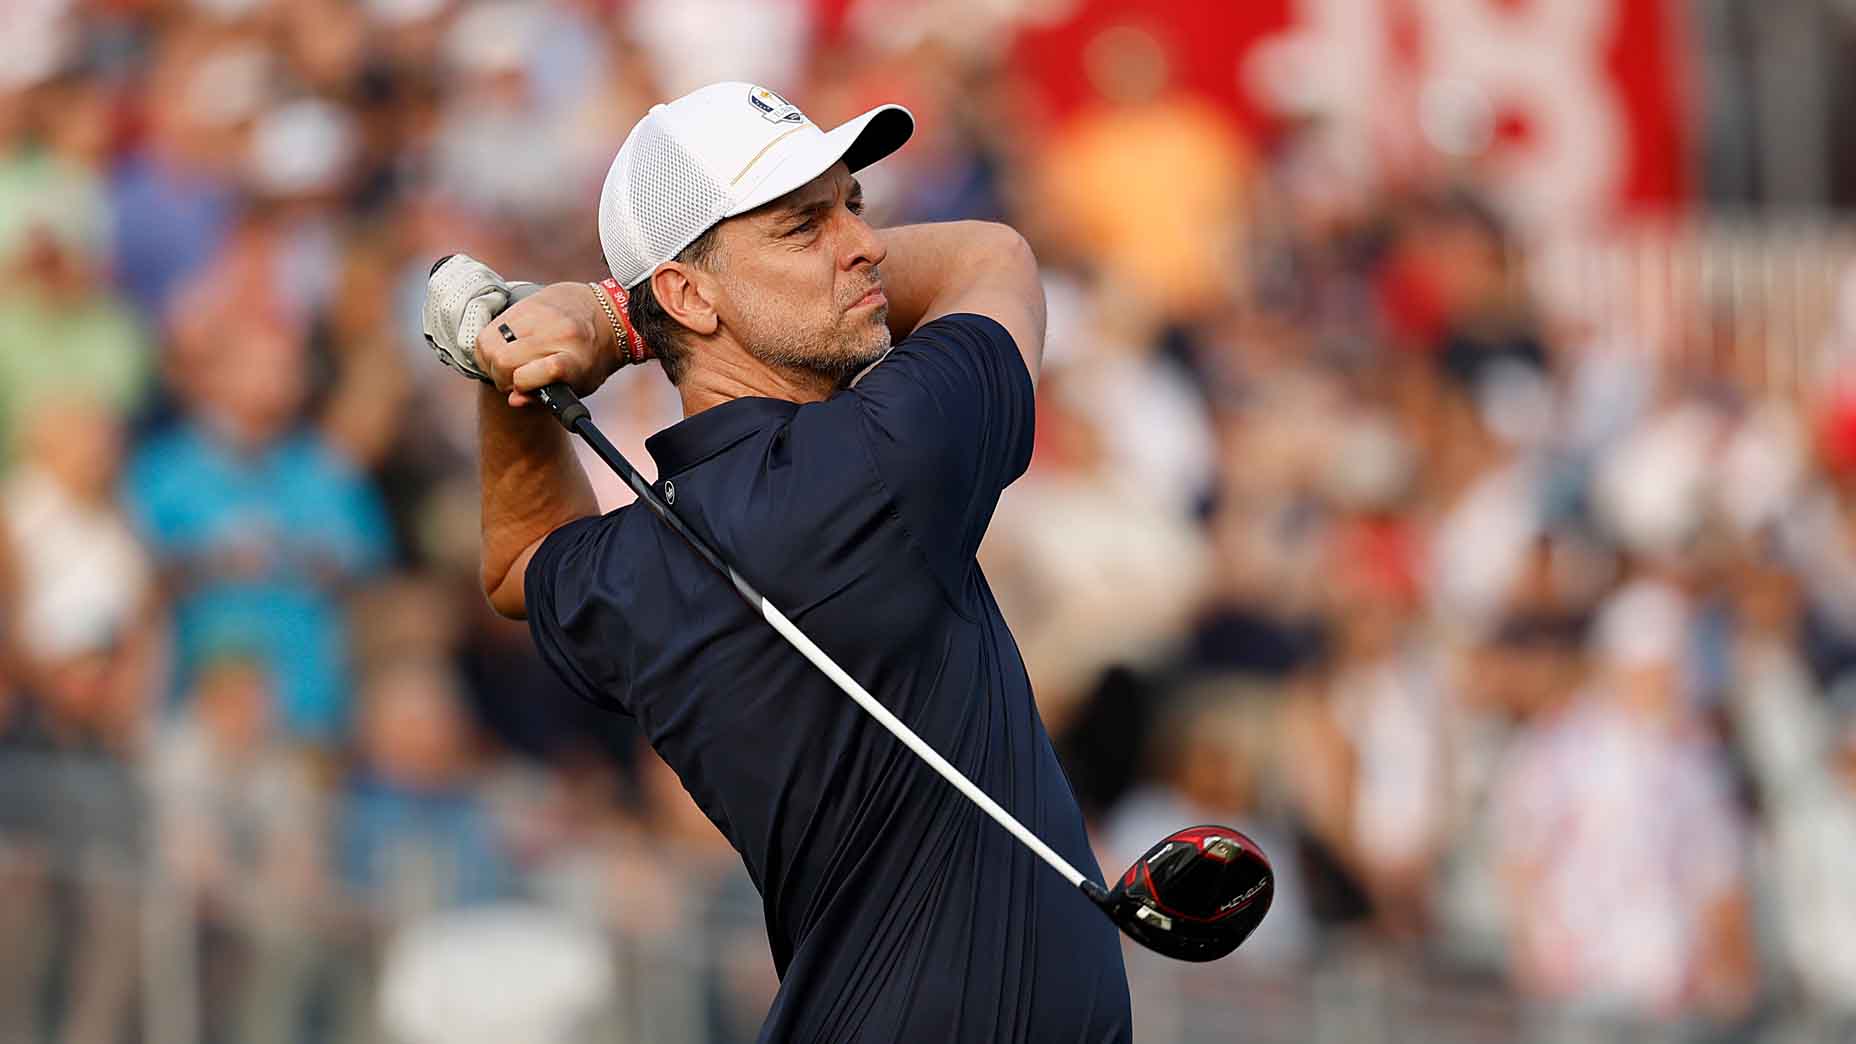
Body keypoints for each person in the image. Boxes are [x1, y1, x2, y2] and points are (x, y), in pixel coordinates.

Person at [421, 82, 1131, 1041]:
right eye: (804, 227)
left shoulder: (634, 563)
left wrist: (516, 365)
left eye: (854, 206)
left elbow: (520, 565)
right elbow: (990, 255)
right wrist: (614, 321)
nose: (865, 243)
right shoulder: (888, 454)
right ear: (686, 294)